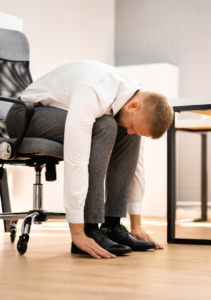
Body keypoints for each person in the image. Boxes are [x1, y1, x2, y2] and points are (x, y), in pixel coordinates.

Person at [6, 60, 174, 259]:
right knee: (105, 125)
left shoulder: (135, 96)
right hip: (25, 115)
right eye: (132, 124)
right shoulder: (93, 91)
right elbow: (76, 159)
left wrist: (136, 224)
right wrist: (78, 233)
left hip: (56, 113)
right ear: (134, 106)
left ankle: (112, 225)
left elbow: (137, 163)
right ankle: (89, 227)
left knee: (124, 132)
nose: (130, 130)